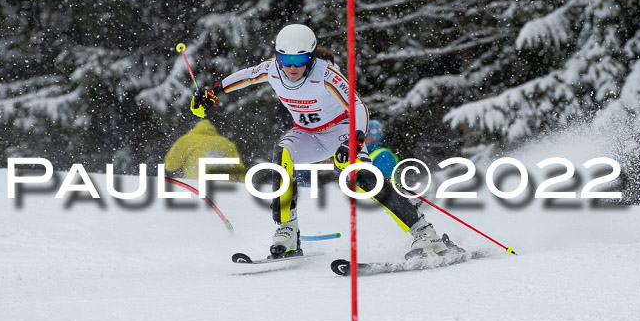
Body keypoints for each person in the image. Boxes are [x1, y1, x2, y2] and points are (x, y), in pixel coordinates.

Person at [191, 23, 460, 258]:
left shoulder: (326, 74)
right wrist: (212, 92)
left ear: (311, 56)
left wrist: (353, 142)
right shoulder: (271, 70)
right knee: (282, 152)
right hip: (307, 135)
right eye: (286, 60)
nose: (293, 68)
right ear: (278, 56)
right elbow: (244, 76)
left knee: (361, 176)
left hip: (341, 131)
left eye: (300, 61)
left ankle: (425, 233)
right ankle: (288, 231)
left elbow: (358, 107)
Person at [164, 119, 247, 182]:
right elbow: (240, 172)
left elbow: (170, 166)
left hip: (198, 188)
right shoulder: (226, 143)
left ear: (190, 130)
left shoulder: (186, 140)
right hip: (227, 190)